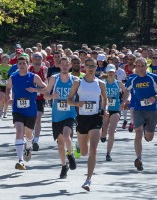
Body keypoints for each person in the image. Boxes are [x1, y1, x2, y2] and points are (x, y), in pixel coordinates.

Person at [67, 57, 108, 191]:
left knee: (93, 149)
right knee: (84, 152)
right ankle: (79, 145)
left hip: (96, 118)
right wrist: (76, 104)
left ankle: (88, 179)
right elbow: (68, 100)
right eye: (88, 66)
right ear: (84, 67)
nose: (91, 68)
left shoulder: (101, 83)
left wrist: (105, 109)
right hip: (82, 118)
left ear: (97, 67)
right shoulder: (77, 82)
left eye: (93, 66)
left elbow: (104, 99)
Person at [122, 57, 157, 171]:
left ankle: (147, 129)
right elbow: (126, 90)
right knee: (138, 133)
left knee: (149, 137)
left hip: (151, 110)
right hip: (138, 110)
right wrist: (126, 100)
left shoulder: (153, 77)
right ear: (136, 67)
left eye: (143, 66)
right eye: (139, 66)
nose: (141, 68)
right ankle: (138, 158)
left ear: (147, 67)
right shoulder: (132, 79)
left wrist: (155, 97)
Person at [5, 56, 46, 170]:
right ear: (17, 65)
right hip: (17, 109)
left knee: (28, 134)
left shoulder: (33, 77)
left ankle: (28, 146)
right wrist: (9, 97)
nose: (22, 65)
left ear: (28, 65)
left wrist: (35, 90)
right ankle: (20, 160)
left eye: (24, 63)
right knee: (19, 132)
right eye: (20, 63)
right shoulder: (13, 77)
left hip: (30, 110)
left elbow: (45, 88)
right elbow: (8, 88)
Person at [44, 57, 77, 178]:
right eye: (62, 64)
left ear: (70, 66)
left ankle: (71, 155)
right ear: (59, 65)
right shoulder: (54, 78)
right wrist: (53, 96)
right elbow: (45, 95)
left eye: (66, 64)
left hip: (70, 114)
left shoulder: (75, 80)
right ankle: (64, 166)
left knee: (67, 136)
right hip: (57, 115)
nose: (64, 66)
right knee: (60, 144)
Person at [100, 64, 126, 161]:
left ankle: (108, 153)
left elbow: (127, 92)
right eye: (109, 72)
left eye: (112, 71)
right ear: (106, 72)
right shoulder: (103, 83)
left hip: (115, 109)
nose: (111, 73)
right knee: (105, 129)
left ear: (115, 72)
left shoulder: (118, 83)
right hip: (105, 109)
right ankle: (103, 135)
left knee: (111, 131)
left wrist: (124, 102)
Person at [28, 52, 48, 151]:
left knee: (38, 118)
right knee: (30, 119)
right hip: (29, 98)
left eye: (39, 59)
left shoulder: (44, 70)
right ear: (32, 60)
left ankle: (36, 140)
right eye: (36, 59)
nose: (37, 61)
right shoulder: (29, 69)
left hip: (40, 98)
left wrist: (38, 90)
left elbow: (46, 85)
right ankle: (30, 137)